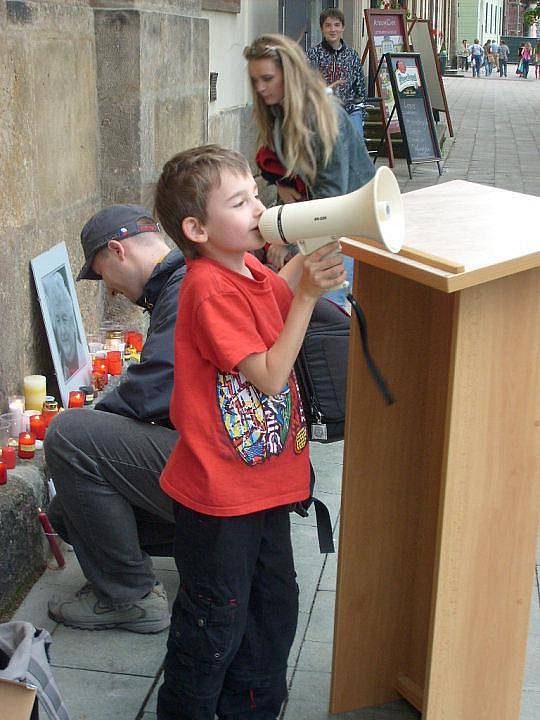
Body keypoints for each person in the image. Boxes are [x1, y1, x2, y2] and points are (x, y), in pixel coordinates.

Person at [153, 144, 346, 720]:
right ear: (197, 228)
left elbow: (276, 292)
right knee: (214, 626)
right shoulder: (207, 285)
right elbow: (266, 377)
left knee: (271, 613)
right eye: (239, 203)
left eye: (256, 196)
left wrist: (309, 261)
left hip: (264, 488)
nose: (258, 209)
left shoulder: (247, 266)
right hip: (220, 500)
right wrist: (310, 295)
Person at [45, 204, 186, 633]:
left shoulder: (183, 289)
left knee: (69, 435)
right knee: (69, 513)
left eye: (101, 272)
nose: (108, 289)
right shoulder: (178, 283)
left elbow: (156, 388)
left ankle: (130, 596)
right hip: (232, 461)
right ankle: (209, 554)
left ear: (117, 250)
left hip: (224, 471)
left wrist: (98, 425)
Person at [244, 33, 375, 309]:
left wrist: (288, 242)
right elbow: (279, 166)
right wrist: (280, 186)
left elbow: (330, 199)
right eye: (255, 81)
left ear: (289, 74)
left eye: (267, 79)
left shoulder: (321, 116)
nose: (260, 88)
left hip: (351, 223)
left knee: (331, 309)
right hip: (328, 221)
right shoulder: (279, 111)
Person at [306, 8, 368, 141]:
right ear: (322, 29)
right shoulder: (313, 55)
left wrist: (361, 112)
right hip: (323, 112)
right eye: (328, 25)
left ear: (343, 28)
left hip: (350, 111)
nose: (332, 29)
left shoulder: (352, 56)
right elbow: (307, 85)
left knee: (356, 149)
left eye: (336, 25)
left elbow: (360, 88)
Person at [43, 271, 86, 382]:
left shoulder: (84, 360)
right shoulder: (60, 367)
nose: (62, 332)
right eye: (57, 320)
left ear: (73, 323)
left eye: (65, 319)